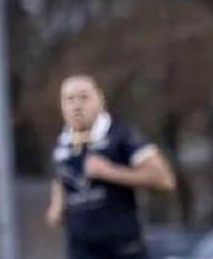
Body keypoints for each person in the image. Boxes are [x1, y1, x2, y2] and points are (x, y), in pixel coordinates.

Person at [46, 74, 176, 259]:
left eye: (84, 97)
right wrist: (56, 207)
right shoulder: (62, 144)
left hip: (123, 251)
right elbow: (61, 181)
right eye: (69, 99)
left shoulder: (120, 134)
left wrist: (110, 172)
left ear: (100, 100)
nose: (76, 106)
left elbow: (164, 180)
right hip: (81, 252)